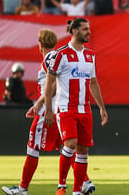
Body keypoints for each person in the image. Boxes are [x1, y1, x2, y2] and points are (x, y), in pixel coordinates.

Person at [2, 30, 97, 195]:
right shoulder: (61, 55)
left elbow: (52, 88)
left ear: (40, 44)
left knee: (33, 147)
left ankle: (22, 189)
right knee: (64, 147)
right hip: (61, 110)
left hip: (49, 110)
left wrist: (40, 105)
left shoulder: (49, 58)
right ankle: (85, 181)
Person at [44, 18, 108, 195]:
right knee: (70, 143)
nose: (89, 32)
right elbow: (49, 83)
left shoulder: (90, 55)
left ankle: (78, 190)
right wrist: (48, 109)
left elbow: (93, 83)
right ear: (74, 32)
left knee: (83, 149)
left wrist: (102, 108)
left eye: (89, 29)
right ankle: (61, 186)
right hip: (65, 108)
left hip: (85, 109)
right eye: (85, 29)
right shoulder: (61, 54)